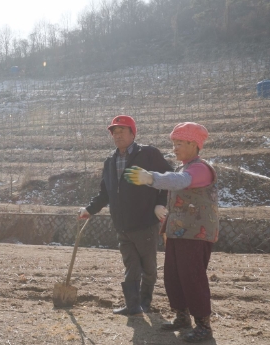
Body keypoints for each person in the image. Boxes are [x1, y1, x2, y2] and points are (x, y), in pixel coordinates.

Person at [124, 122, 218, 343]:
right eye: (174, 144)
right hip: (178, 233)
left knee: (192, 277)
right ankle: (182, 317)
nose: (175, 148)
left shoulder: (199, 169)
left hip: (196, 235)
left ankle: (203, 325)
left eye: (180, 143)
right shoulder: (184, 167)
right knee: (174, 277)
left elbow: (180, 182)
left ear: (195, 144)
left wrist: (151, 178)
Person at [79, 115, 172, 316]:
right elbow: (106, 193)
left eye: (122, 131)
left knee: (148, 267)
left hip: (146, 222)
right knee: (131, 266)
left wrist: (160, 204)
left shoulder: (148, 154)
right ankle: (133, 306)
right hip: (122, 225)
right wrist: (90, 209)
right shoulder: (110, 162)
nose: (117, 135)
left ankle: (145, 303)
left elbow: (168, 179)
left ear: (133, 133)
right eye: (114, 132)